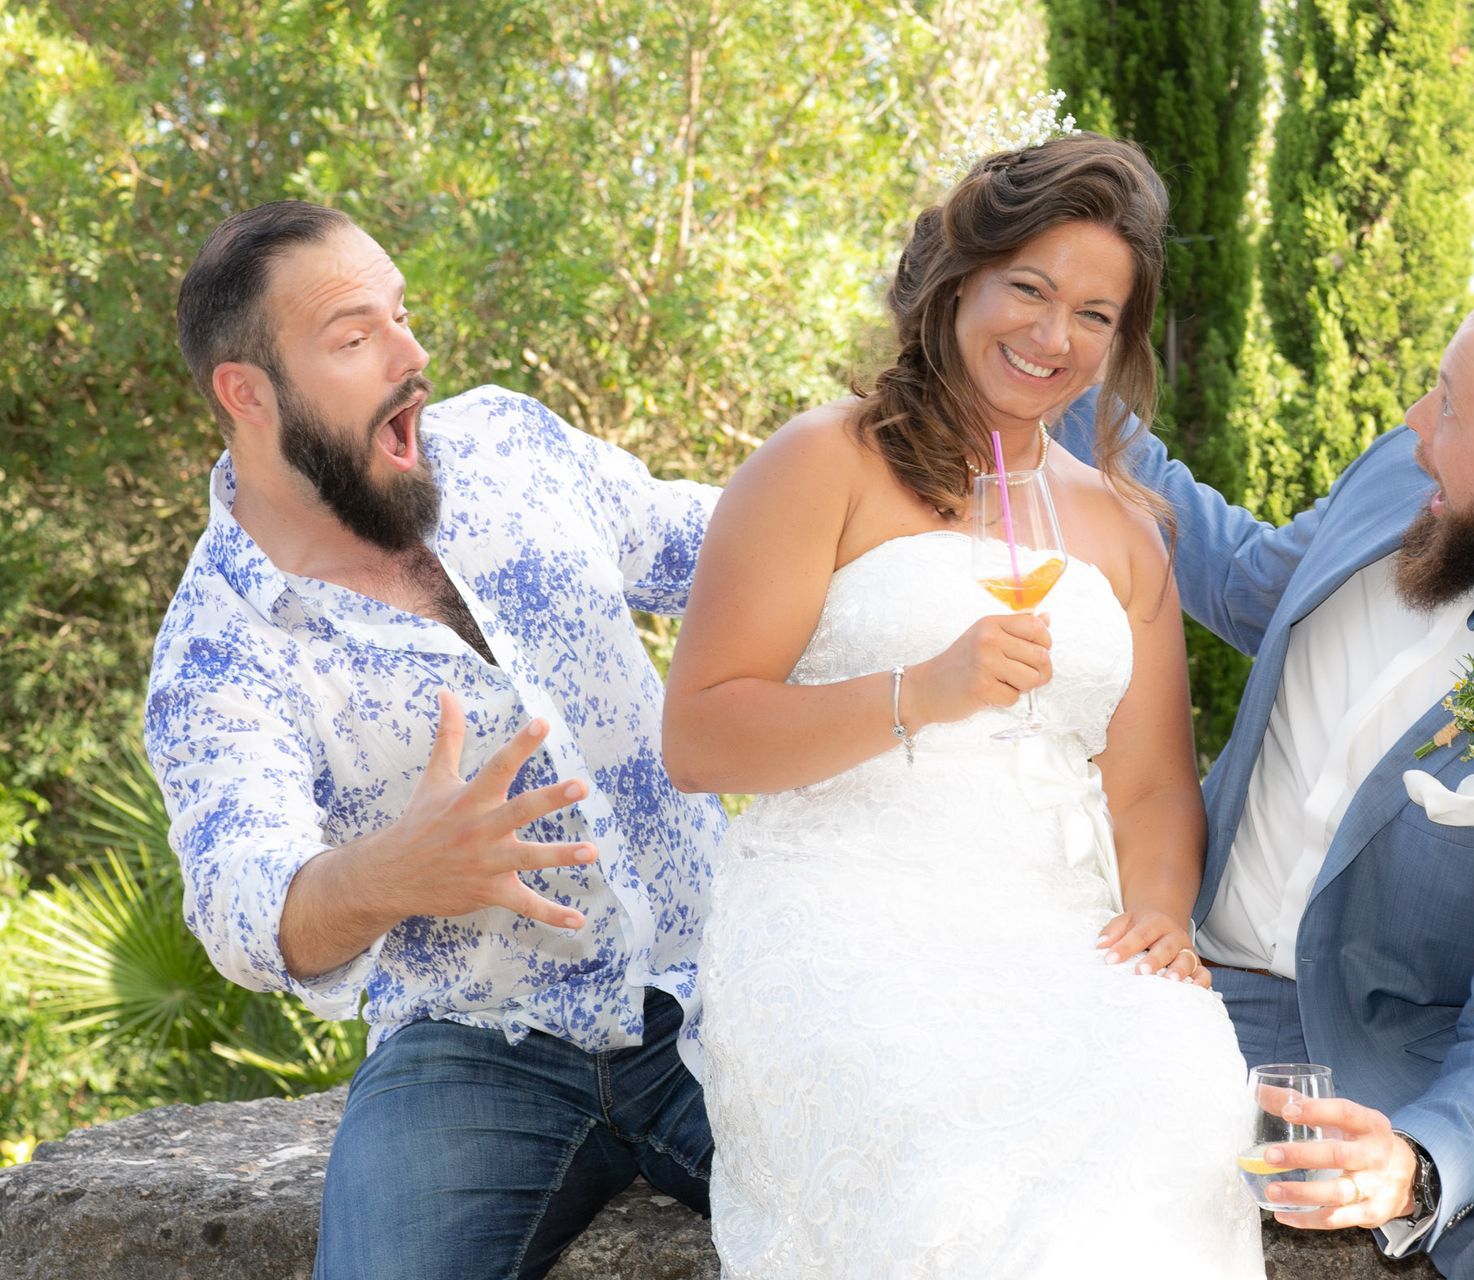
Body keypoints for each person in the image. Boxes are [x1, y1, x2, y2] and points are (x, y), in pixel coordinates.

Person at [661, 134, 1262, 1276]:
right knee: (947, 1162)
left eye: (1094, 314)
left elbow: (1149, 786)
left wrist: (1161, 914)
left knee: (1181, 1094)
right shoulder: (821, 464)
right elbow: (699, 737)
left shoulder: (1126, 530)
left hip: (1061, 933)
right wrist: (917, 692)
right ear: (958, 281)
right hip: (842, 924)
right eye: (1029, 289)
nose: (1053, 336)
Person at [1057, 282, 1474, 1279]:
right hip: (1193, 961)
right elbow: (1250, 581)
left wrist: (1417, 1163)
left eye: (1447, 404)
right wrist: (1062, 386)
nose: (1414, 422)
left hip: (1397, 1046)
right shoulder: (1409, 474)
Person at [147, 200, 723, 1280]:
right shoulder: (217, 647)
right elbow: (241, 903)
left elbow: (721, 548)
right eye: (354, 336)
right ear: (246, 391)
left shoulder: (509, 445)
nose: (409, 356)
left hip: (720, 978)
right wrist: (391, 873)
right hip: (475, 1047)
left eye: (401, 315)